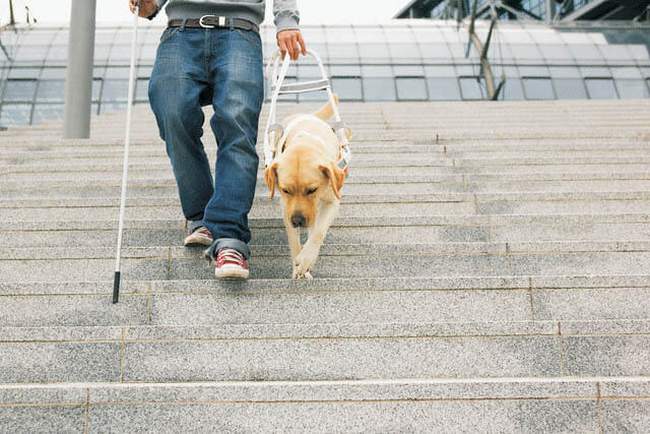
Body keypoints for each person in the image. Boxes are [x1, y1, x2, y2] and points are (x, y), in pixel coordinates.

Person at [128, 0, 306, 279]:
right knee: (172, 113)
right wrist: (146, 5)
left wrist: (286, 20)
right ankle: (200, 216)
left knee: (237, 125)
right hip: (180, 33)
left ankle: (230, 236)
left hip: (239, 32)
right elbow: (149, 7)